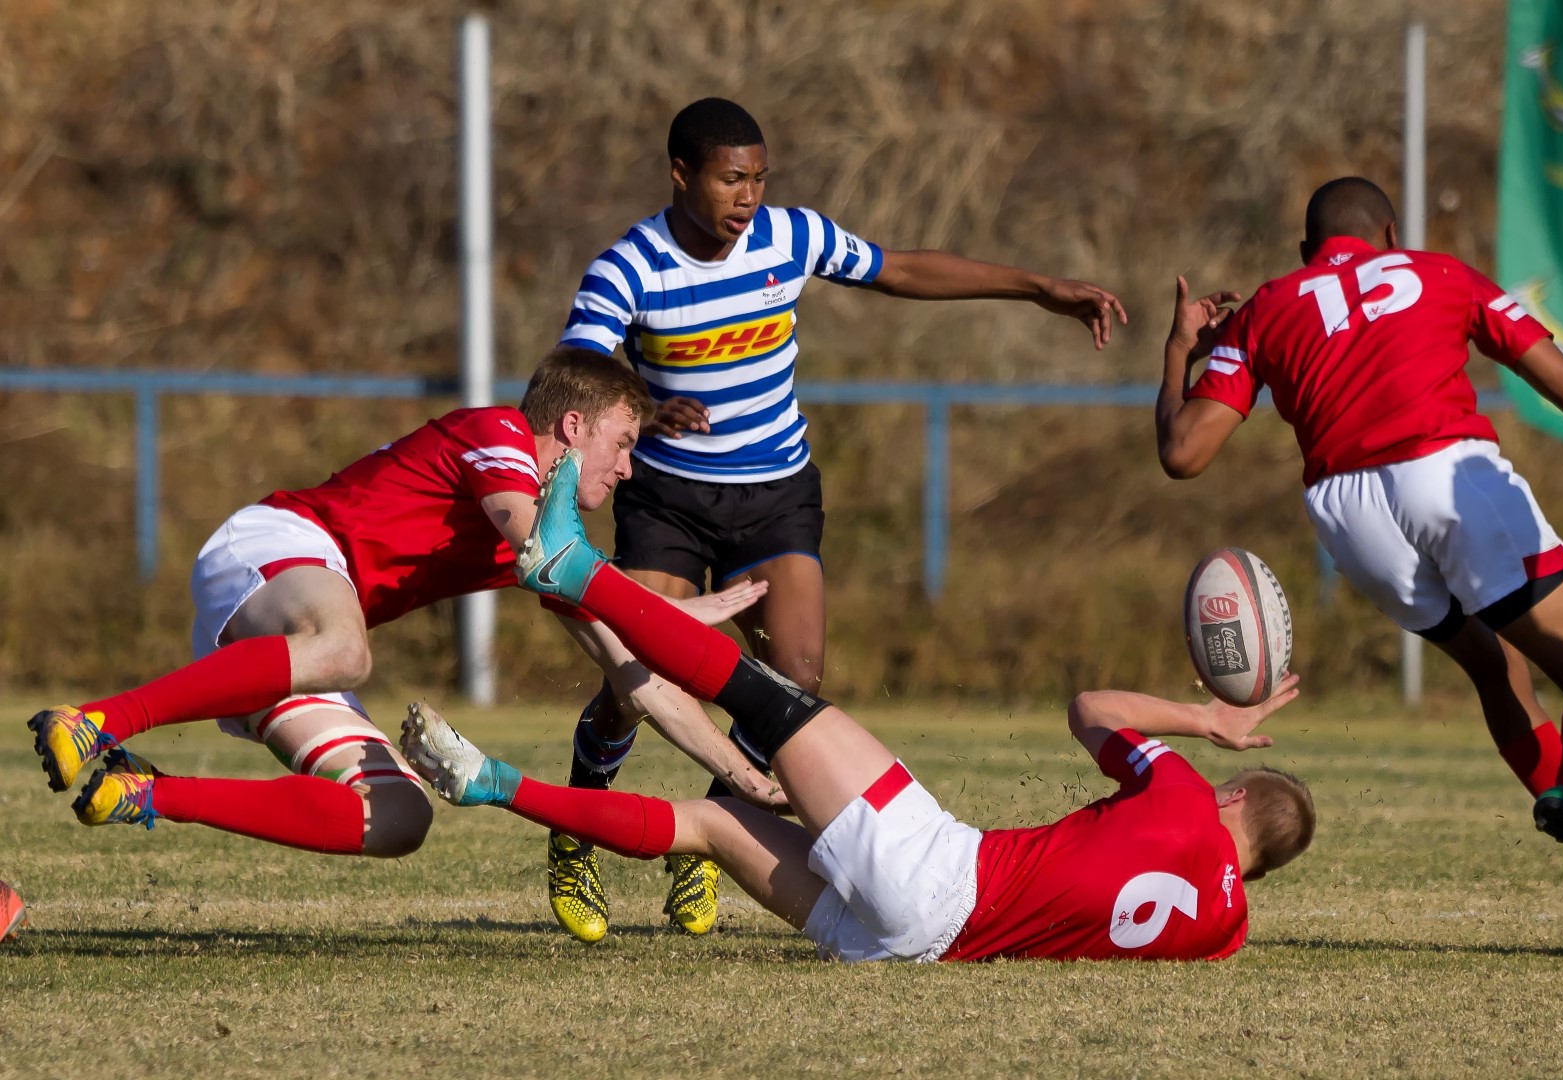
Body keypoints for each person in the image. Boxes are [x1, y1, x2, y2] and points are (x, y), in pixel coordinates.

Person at [548, 96, 1133, 940]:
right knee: (635, 680)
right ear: (680, 174)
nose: (749, 196)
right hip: (668, 498)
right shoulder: (629, 268)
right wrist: (644, 404)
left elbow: (900, 269)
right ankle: (577, 825)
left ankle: (716, 835)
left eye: (759, 178)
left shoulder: (790, 238)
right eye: (731, 179)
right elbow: (576, 367)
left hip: (776, 493)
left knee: (794, 677)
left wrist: (1039, 288)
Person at [1154, 176, 1563, 943]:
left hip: (1348, 514)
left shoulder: (1269, 307)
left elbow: (1183, 454)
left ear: (1307, 251)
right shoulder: (1440, 273)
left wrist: (1180, 348)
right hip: (1446, 474)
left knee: (1496, 668)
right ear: (1390, 236)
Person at [27, 347, 786, 855]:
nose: (627, 469)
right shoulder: (499, 437)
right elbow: (553, 554)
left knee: (397, 817)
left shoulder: (542, 545)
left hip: (292, 640)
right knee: (345, 651)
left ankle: (146, 792)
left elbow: (638, 680)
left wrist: (746, 780)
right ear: (572, 425)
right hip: (274, 548)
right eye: (622, 443)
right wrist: (661, 612)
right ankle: (94, 720)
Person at [399, 665, 1312, 963]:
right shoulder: (1225, 931)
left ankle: (577, 573)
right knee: (710, 827)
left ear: (1234, 796)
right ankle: (493, 782)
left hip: (938, 876)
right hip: (905, 948)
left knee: (770, 700)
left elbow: (1090, 708)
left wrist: (1205, 720)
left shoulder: (1186, 796)